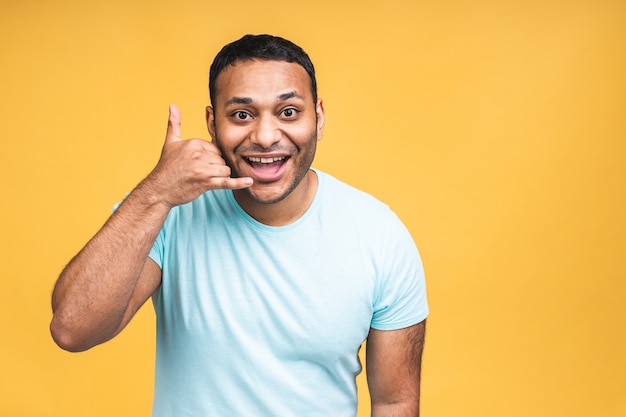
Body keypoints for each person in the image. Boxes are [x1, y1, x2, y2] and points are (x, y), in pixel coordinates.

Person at [50, 34, 429, 416]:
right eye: (242, 115)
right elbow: (73, 329)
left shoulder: (380, 236)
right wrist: (156, 193)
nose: (265, 137)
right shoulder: (167, 211)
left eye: (288, 112)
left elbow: (394, 402)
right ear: (213, 124)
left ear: (319, 118)